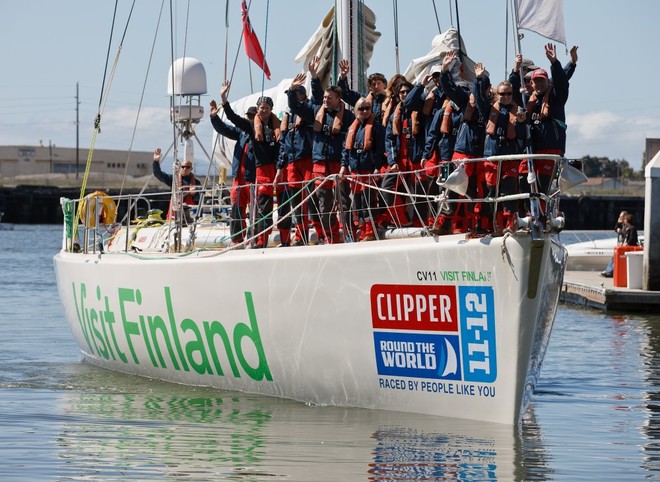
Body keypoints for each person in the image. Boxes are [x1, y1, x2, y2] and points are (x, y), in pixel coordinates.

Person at [288, 56, 355, 244]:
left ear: (337, 99)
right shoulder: (314, 112)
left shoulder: (347, 116)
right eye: (324, 97)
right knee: (324, 206)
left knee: (344, 202)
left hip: (337, 164)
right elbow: (294, 106)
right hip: (319, 164)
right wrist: (293, 89)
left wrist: (344, 164)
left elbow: (349, 140)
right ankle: (331, 238)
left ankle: (350, 235)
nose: (325, 100)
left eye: (329, 98)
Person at [218, 82, 284, 249]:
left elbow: (282, 148)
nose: (264, 110)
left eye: (267, 107)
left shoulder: (278, 126)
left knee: (266, 210)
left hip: (274, 170)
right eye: (262, 107)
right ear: (258, 109)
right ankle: (256, 241)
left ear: (271, 109)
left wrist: (280, 169)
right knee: (260, 208)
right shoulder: (250, 127)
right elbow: (233, 119)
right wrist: (224, 100)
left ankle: (263, 240)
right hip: (260, 172)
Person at [474, 62, 526, 233]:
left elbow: (522, 135)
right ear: (497, 94)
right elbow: (479, 97)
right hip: (493, 155)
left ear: (512, 95)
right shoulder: (489, 110)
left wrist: (520, 122)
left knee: (509, 191)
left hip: (509, 155)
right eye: (502, 93)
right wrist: (480, 78)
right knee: (491, 192)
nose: (505, 96)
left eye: (508, 94)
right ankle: (490, 226)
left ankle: (510, 224)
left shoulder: (518, 111)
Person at [209, 100, 255, 246]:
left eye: (252, 116)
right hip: (239, 179)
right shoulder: (241, 133)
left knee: (256, 210)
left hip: (253, 178)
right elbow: (224, 129)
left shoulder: (261, 133)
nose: (249, 119)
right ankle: (237, 239)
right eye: (248, 116)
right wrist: (214, 118)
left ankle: (255, 238)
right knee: (236, 210)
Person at [339, 97, 385, 241]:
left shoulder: (376, 127)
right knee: (357, 203)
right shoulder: (352, 128)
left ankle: (370, 231)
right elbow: (345, 150)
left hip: (368, 170)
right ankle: (362, 231)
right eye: (361, 109)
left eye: (367, 108)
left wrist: (377, 168)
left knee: (369, 202)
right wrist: (343, 166)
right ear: (355, 111)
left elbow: (379, 149)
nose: (365, 111)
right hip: (355, 171)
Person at [279, 81, 315, 245]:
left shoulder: (309, 111)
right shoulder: (290, 117)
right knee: (296, 203)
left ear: (304, 96)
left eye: (297, 94)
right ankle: (301, 236)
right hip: (292, 161)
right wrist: (281, 165)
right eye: (293, 94)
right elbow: (284, 142)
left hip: (306, 159)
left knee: (311, 200)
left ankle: (322, 234)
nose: (295, 97)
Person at [152, 147, 200, 220]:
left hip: (190, 212)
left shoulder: (196, 182)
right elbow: (158, 174)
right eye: (183, 167)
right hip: (175, 211)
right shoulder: (173, 179)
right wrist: (156, 161)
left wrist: (194, 193)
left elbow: (198, 199)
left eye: (187, 167)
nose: (185, 169)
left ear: (191, 169)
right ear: (180, 167)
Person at [337, 60, 388, 124]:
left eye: (379, 83)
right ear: (370, 87)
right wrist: (343, 77)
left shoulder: (390, 101)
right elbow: (345, 94)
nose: (376, 86)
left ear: (385, 85)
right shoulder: (363, 100)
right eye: (373, 84)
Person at [601, 211, 639, 277]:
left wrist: (626, 244)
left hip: (628, 247)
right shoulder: (624, 227)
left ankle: (610, 271)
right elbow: (617, 229)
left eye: (621, 217)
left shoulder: (631, 228)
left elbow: (632, 239)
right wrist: (618, 223)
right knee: (614, 256)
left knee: (616, 256)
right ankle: (609, 270)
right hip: (623, 246)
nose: (620, 219)